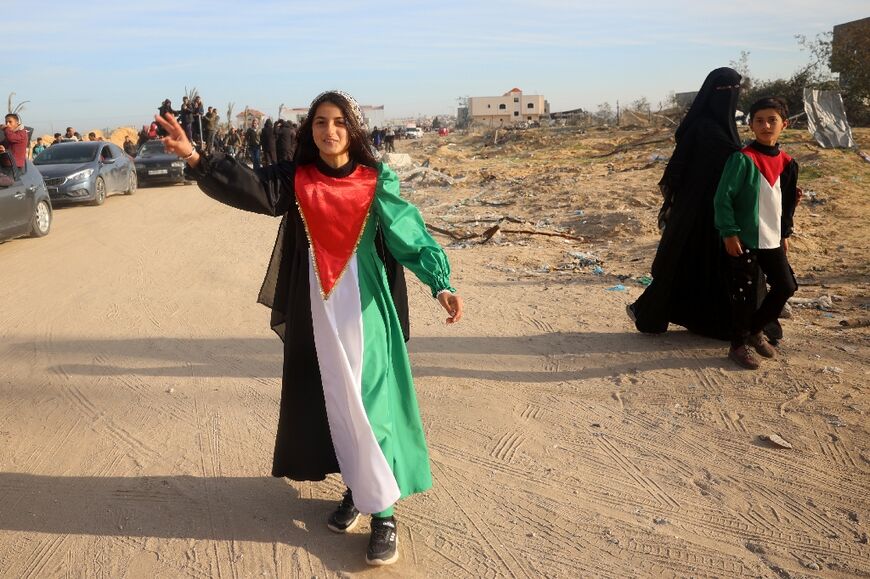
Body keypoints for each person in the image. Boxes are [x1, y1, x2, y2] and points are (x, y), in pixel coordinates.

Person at [155, 89, 462, 567]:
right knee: (335, 402)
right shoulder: (296, 180)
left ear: (353, 128)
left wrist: (439, 284)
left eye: (339, 121)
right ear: (309, 129)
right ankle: (358, 488)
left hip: (367, 310)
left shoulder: (375, 179)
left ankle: (384, 514)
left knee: (372, 402)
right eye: (320, 122)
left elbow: (408, 235)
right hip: (318, 310)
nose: (330, 130)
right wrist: (197, 157)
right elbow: (250, 186)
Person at [627, 67, 782, 342]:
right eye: (725, 90)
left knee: (714, 265)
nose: (730, 96)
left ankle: (732, 322)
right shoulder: (706, 128)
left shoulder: (722, 126)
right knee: (694, 262)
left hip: (718, 209)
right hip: (699, 211)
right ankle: (726, 324)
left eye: (734, 90)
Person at [714, 97, 798, 369]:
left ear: (783, 125)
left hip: (772, 239)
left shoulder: (788, 163)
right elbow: (722, 198)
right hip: (745, 240)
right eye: (759, 120)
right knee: (745, 296)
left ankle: (754, 330)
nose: (766, 125)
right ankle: (737, 346)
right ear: (750, 125)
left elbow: (786, 205)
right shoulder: (742, 159)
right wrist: (729, 232)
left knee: (786, 286)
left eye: (772, 120)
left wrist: (785, 233)